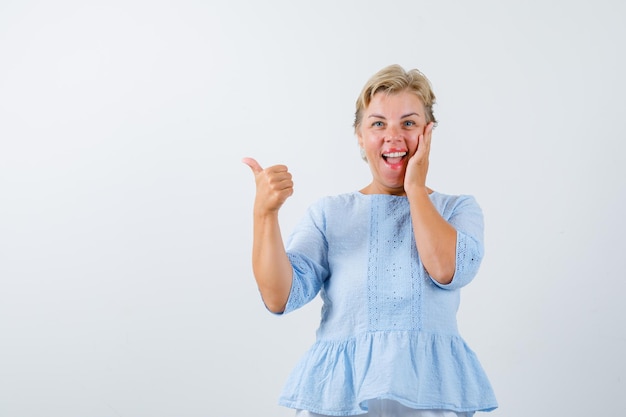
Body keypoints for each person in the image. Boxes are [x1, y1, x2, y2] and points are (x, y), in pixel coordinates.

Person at [242, 64, 498, 417]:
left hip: (430, 402)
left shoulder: (457, 209)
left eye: (408, 123)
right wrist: (265, 215)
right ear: (361, 136)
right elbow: (278, 296)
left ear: (428, 133)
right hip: (340, 403)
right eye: (378, 124)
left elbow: (445, 269)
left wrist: (415, 188)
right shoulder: (329, 214)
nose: (393, 136)